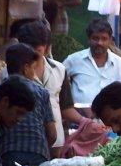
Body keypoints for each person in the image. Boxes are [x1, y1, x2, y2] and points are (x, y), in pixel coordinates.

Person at [0, 43, 56, 166]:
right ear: (25, 68)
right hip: (39, 156)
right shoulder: (41, 92)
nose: (34, 73)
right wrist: (40, 149)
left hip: (7, 156)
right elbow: (52, 135)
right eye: (33, 68)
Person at [14, 20, 77, 148]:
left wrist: (84, 121)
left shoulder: (59, 69)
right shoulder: (9, 73)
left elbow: (65, 107)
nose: (31, 56)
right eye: (27, 50)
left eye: (37, 51)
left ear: (47, 48)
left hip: (56, 144)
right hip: (24, 144)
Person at [63, 18, 121, 108]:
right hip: (80, 119)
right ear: (88, 39)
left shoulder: (118, 63)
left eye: (104, 39)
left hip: (110, 120)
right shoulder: (74, 60)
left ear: (110, 40)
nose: (99, 43)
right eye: (95, 38)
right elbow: (57, 78)